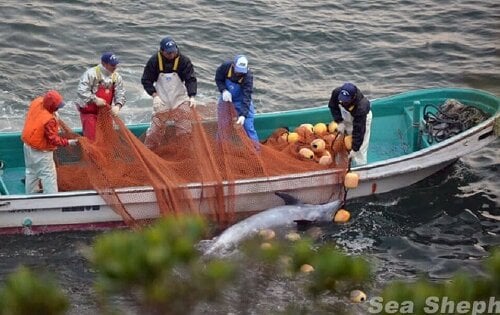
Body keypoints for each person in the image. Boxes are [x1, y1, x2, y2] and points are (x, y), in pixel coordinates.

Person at [141, 36, 197, 149]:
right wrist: (154, 95)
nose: (172, 55)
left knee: (185, 130)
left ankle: (184, 152)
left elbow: (190, 79)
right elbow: (146, 80)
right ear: (162, 51)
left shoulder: (184, 61)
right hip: (162, 100)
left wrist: (192, 96)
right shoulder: (154, 61)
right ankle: (150, 152)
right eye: (168, 53)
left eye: (174, 52)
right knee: (155, 131)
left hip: (179, 100)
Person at [21, 90, 79, 194]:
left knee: (31, 172)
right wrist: (68, 142)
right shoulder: (49, 120)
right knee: (49, 176)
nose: (58, 108)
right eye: (57, 106)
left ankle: (30, 196)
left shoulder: (37, 102)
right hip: (41, 153)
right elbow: (53, 139)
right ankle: (52, 200)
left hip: (27, 146)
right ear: (52, 107)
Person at [76, 52, 126, 140]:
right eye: (112, 65)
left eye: (116, 64)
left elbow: (121, 93)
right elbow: (81, 91)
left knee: (108, 139)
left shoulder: (117, 77)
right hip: (89, 113)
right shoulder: (90, 74)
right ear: (104, 64)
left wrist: (118, 105)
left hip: (105, 114)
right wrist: (94, 99)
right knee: (92, 139)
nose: (115, 67)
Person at [215, 54, 259, 142]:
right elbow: (218, 79)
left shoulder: (248, 76)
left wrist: (243, 115)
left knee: (248, 126)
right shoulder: (225, 67)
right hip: (227, 99)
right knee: (223, 126)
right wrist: (223, 90)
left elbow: (247, 96)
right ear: (233, 65)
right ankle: (221, 147)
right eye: (238, 70)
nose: (239, 73)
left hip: (242, 101)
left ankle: (256, 152)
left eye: (242, 71)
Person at [328, 82, 372, 165]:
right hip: (347, 114)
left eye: (346, 101)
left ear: (353, 97)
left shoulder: (361, 107)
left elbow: (359, 130)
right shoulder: (336, 93)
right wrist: (339, 121)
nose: (342, 102)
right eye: (341, 99)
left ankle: (360, 166)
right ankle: (341, 164)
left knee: (360, 148)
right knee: (343, 141)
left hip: (362, 119)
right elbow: (333, 106)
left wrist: (355, 149)